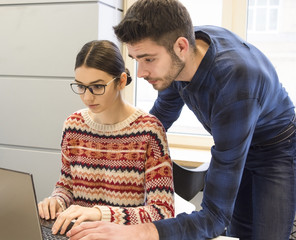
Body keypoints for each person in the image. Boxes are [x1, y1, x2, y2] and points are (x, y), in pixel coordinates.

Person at [66, 0, 296, 240]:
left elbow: (215, 218)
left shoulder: (235, 82)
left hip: (276, 150)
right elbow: (153, 126)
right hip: (235, 141)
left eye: (148, 59)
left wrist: (134, 231)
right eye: (136, 60)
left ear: (181, 47)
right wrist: (108, 152)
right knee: (239, 235)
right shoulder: (177, 61)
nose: (141, 72)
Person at [38, 40, 175, 235]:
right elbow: (66, 186)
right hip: (78, 235)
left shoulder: (149, 131)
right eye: (81, 86)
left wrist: (99, 214)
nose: (87, 97)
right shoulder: (73, 125)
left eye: (97, 87)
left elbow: (162, 213)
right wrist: (56, 201)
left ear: (120, 81)